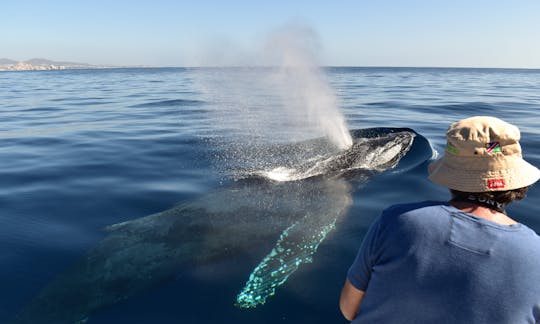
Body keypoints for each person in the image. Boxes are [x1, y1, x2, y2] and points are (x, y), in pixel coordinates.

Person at [339, 116, 540, 323]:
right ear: (516, 179)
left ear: (451, 173)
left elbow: (348, 309)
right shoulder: (536, 253)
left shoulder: (396, 221)